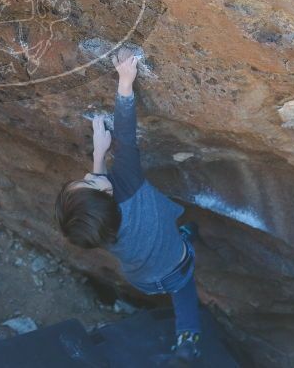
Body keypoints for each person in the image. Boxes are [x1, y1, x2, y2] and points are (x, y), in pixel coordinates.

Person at [54, 47, 201, 365]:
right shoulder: (128, 181)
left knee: (164, 246)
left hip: (145, 279)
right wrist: (124, 81)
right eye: (91, 180)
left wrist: (98, 153)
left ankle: (185, 339)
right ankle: (188, 333)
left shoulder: (98, 228)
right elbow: (126, 135)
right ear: (105, 193)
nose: (89, 174)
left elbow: (101, 194)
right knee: (184, 289)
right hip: (177, 265)